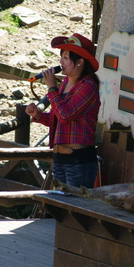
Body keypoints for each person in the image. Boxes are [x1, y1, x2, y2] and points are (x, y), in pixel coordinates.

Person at [26, 33, 101, 188]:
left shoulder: (88, 86)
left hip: (78, 160)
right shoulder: (64, 83)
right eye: (62, 56)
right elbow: (58, 120)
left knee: (75, 207)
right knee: (60, 205)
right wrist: (38, 115)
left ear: (80, 62)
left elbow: (65, 115)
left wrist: (52, 88)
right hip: (60, 158)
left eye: (66, 57)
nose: (61, 61)